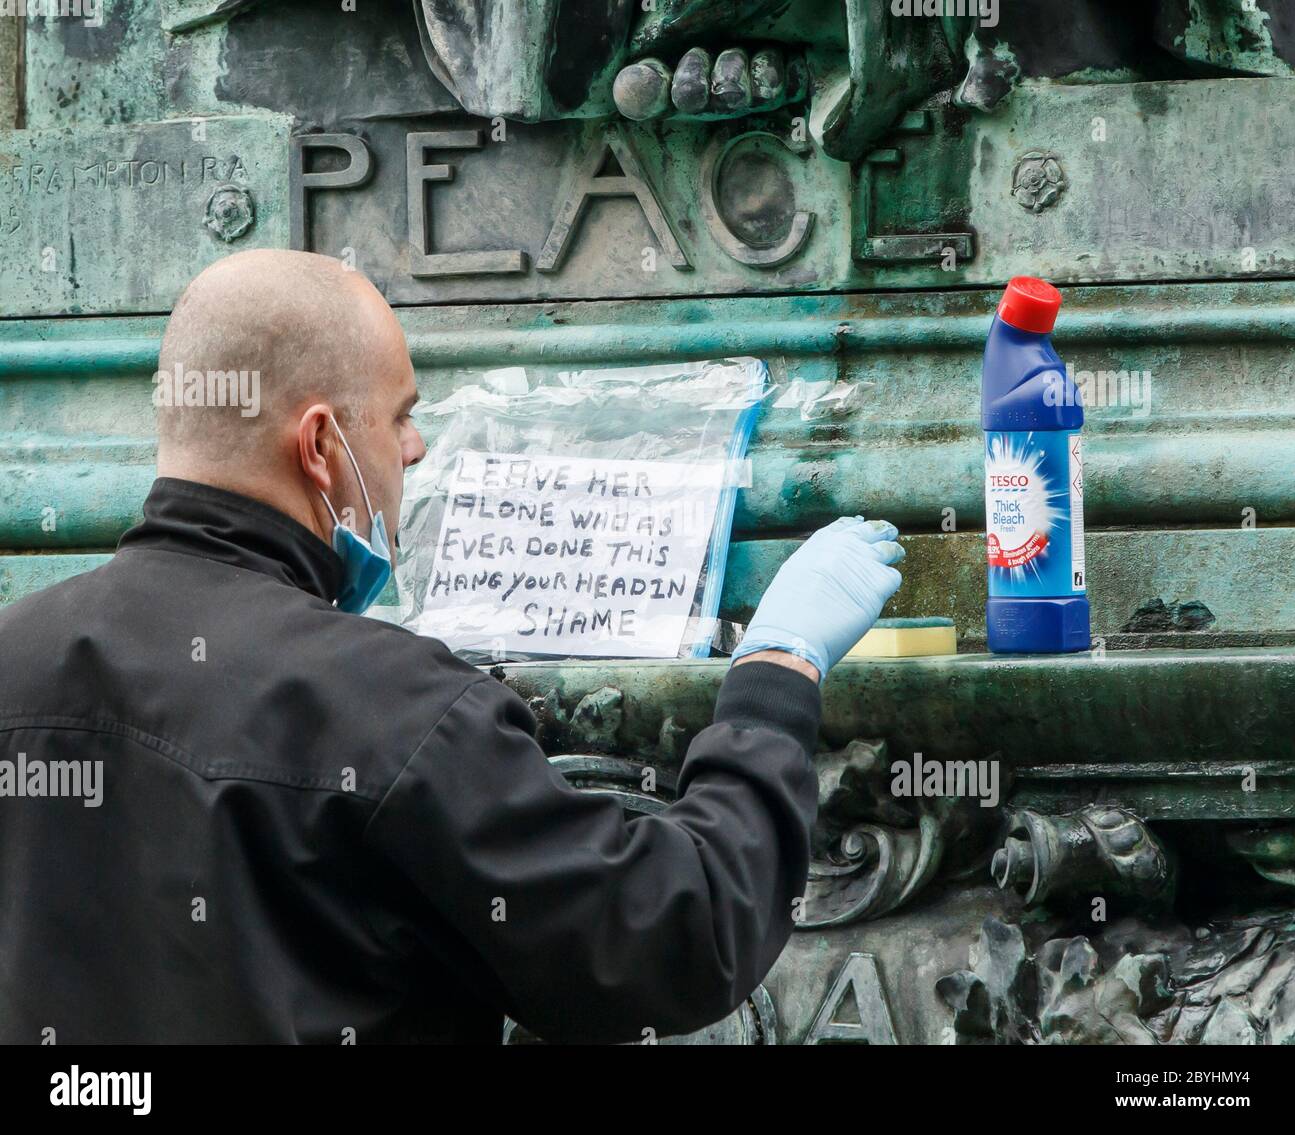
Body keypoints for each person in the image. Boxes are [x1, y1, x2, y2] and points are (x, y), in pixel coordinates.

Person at [0, 250, 904, 1044]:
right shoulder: (387, 704)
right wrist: (775, 677)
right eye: (399, 417)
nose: (418, 447)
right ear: (320, 445)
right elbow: (671, 937)